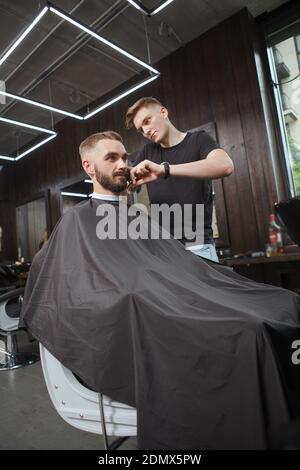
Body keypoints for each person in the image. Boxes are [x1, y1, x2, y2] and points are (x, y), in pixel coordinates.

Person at [20, 131, 300, 450]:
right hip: (151, 312)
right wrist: (133, 296)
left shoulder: (140, 219)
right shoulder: (75, 221)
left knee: (286, 301)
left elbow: (176, 267)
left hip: (176, 300)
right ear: (89, 167)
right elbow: (73, 287)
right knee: (250, 331)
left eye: (125, 157)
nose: (123, 164)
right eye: (111, 158)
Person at [125, 97, 234, 262]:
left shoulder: (198, 140)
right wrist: (129, 183)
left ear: (163, 112)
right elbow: (129, 183)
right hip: (166, 249)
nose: (146, 131)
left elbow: (225, 166)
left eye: (147, 121)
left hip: (198, 245)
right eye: (141, 129)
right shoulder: (148, 151)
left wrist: (165, 170)